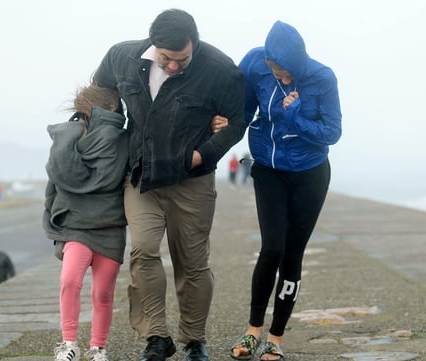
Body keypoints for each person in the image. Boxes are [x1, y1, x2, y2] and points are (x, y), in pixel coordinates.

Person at [94, 8, 246, 361]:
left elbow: (238, 121)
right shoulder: (122, 57)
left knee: (192, 263)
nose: (174, 66)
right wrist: (101, 132)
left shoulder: (220, 69)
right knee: (143, 251)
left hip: (191, 180)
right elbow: (101, 91)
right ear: (153, 45)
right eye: (167, 58)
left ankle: (194, 341)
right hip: (141, 176)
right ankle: (156, 338)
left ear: (194, 44)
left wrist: (203, 154)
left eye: (183, 59)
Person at [227, 20, 342, 361]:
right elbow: (244, 109)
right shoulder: (254, 63)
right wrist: (224, 125)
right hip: (268, 169)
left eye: (288, 72)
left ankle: (275, 338)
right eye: (276, 70)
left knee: (292, 253)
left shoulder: (322, 78)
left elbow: (332, 132)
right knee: (271, 248)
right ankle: (252, 332)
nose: (282, 77)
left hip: (310, 173)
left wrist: (293, 117)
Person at [42, 81, 129, 361]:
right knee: (69, 281)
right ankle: (68, 345)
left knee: (103, 293)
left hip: (110, 228)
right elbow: (54, 183)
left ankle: (98, 348)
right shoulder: (68, 144)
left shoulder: (123, 141)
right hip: (76, 228)